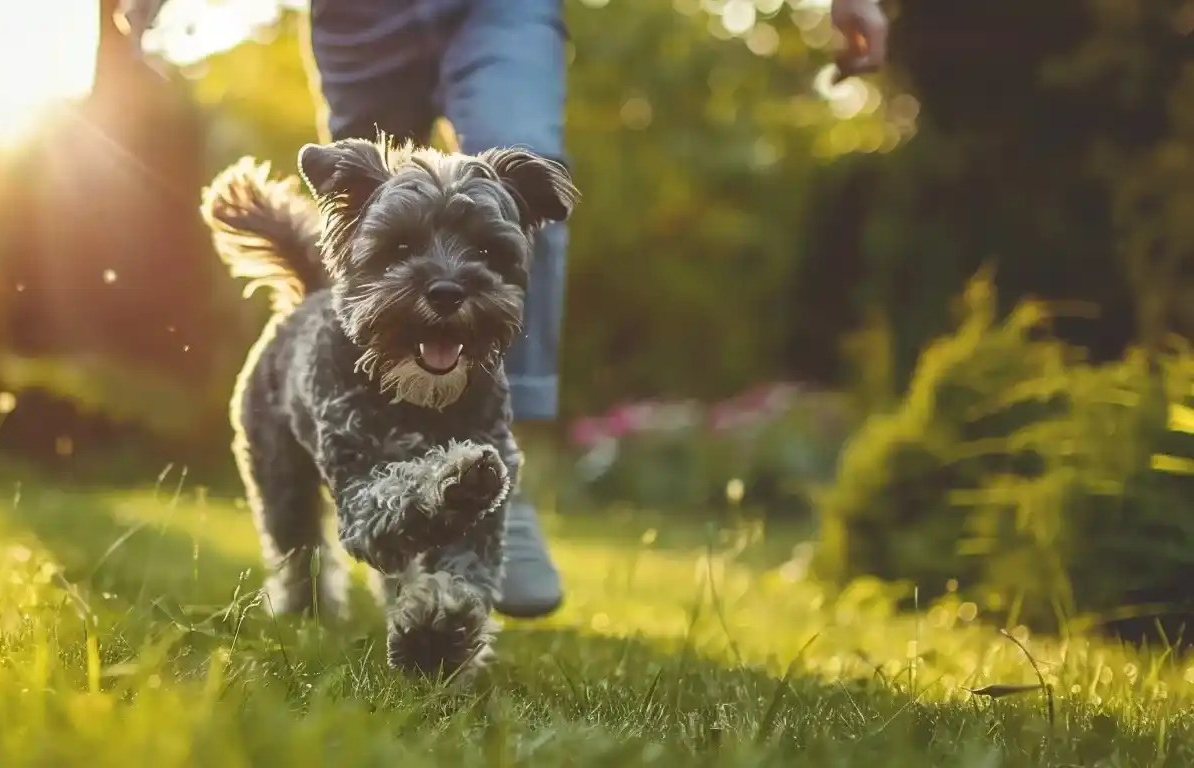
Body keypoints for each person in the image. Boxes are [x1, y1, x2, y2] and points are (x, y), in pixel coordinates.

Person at [125, 0, 889, 619]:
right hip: (360, 15)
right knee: (371, 208)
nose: (449, 288)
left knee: (526, 163)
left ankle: (498, 480)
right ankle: (389, 522)